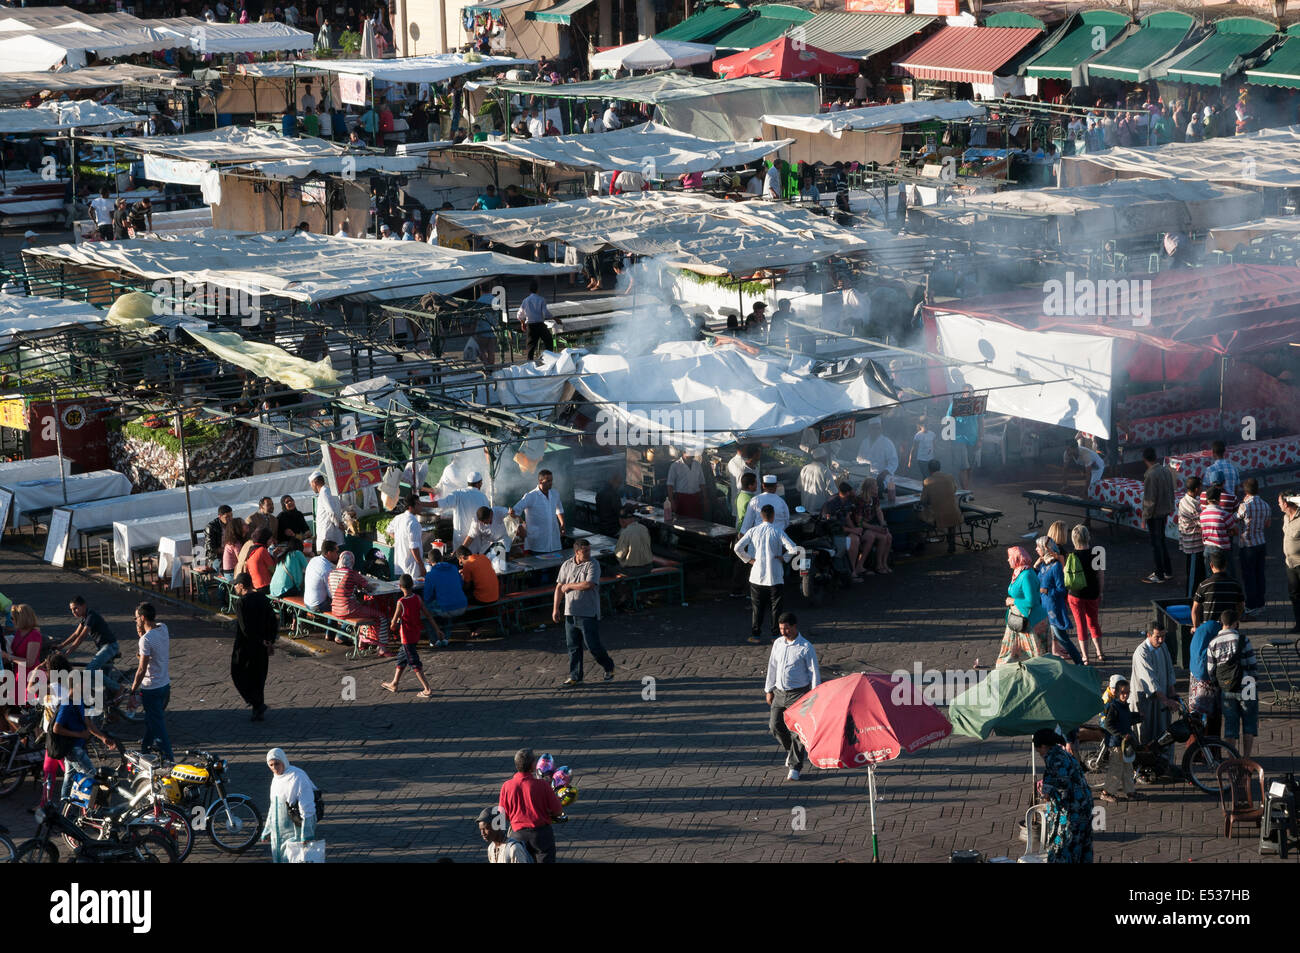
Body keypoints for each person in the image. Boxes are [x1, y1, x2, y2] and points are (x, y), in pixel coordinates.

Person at [764, 612, 821, 781]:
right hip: (779, 693)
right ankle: (791, 751)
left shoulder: (805, 647)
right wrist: (769, 689)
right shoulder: (778, 644)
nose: (784, 632)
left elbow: (814, 673)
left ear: (795, 627)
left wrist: (814, 697)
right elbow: (772, 666)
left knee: (797, 731)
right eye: (781, 628)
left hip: (799, 694)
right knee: (775, 726)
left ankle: (795, 767)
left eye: (787, 628)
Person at [735, 503, 800, 644]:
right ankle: (775, 635)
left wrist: (749, 560)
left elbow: (737, 547)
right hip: (775, 576)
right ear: (773, 516)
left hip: (757, 576)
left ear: (761, 516)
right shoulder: (778, 531)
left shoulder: (753, 531)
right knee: (776, 608)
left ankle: (756, 635)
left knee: (757, 608)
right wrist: (785, 558)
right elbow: (794, 548)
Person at [554, 538, 613, 686]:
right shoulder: (566, 565)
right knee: (573, 647)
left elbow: (589, 584)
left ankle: (608, 666)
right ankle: (575, 676)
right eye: (585, 551)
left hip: (587, 612)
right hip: (570, 612)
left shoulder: (593, 564)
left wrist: (569, 586)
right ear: (577, 552)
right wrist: (555, 608)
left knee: (593, 645)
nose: (588, 553)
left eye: (589, 550)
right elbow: (559, 587)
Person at [1033, 729, 1094, 862]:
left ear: (1043, 746)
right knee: (1081, 844)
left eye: (1038, 751)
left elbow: (1061, 787)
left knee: (1063, 846)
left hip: (1072, 809)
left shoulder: (1053, 758)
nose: (1040, 754)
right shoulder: (1062, 752)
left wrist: (1045, 793)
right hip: (1084, 803)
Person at [498, 748, 566, 862]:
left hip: (517, 836)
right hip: (541, 836)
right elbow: (558, 811)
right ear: (532, 766)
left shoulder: (507, 786)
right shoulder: (543, 785)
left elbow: (501, 815)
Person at [1205, 610, 1258, 758]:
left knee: (1230, 725)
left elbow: (1211, 670)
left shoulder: (1213, 643)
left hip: (1226, 687)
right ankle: (1246, 758)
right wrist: (1254, 682)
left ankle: (1232, 759)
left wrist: (1219, 686)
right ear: (1235, 622)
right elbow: (1252, 664)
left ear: (1222, 623)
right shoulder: (1243, 639)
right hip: (1247, 685)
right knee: (1249, 724)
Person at [130, 603, 173, 761]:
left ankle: (170, 760)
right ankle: (145, 749)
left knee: (159, 729)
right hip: (165, 686)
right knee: (151, 721)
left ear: (142, 618)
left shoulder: (145, 640)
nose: (135, 621)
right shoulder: (163, 627)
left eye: (136, 618)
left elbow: (142, 669)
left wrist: (133, 690)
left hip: (151, 689)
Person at [383, 573, 438, 697]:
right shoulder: (417, 598)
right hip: (415, 634)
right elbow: (428, 615)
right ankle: (394, 683)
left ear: (400, 586)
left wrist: (393, 625)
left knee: (414, 662)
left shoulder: (401, 602)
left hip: (406, 637)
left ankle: (427, 689)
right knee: (402, 658)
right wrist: (437, 629)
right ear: (412, 585)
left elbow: (393, 623)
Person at [232, 573, 277, 722]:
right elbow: (272, 620)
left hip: (246, 646)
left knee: (238, 673)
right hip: (262, 646)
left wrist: (260, 640)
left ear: (242, 586)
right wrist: (269, 640)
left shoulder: (241, 603)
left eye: (236, 585)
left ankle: (256, 704)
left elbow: (245, 629)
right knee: (258, 677)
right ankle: (258, 709)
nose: (235, 588)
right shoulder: (263, 598)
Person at [261, 748, 317, 863]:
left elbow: (307, 806)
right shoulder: (276, 779)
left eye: (277, 763)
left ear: (283, 761)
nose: (274, 768)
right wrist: (267, 830)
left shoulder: (297, 777)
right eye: (271, 765)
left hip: (295, 832)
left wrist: (306, 834)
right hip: (278, 836)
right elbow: (273, 807)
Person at [329, 551, 391, 656]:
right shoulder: (352, 574)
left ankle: (362, 642)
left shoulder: (332, 573)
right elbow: (368, 587)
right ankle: (382, 648)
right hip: (349, 609)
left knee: (366, 607)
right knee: (382, 616)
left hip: (335, 609)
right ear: (352, 561)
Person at [1129, 621, 1178, 750]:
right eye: (1157, 637)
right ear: (1148, 635)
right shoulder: (1141, 653)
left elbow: (1169, 670)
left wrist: (1172, 692)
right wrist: (1166, 700)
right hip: (1145, 701)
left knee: (1163, 733)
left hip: (1161, 699)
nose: (1161, 640)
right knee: (1146, 734)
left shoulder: (1163, 647)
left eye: (1163, 636)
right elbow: (1150, 681)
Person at [1036, 537, 1082, 664]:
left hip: (1053, 609)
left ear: (1046, 549)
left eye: (1038, 547)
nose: (1036, 549)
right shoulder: (1043, 564)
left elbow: (1062, 590)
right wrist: (1035, 565)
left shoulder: (1055, 567)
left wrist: (1047, 591)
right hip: (1044, 607)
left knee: (1062, 638)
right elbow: (1035, 579)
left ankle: (1080, 663)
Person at [1065, 524, 1106, 664]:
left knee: (1080, 624)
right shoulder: (1098, 552)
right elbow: (1100, 575)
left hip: (1075, 594)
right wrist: (1100, 591)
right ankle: (1100, 652)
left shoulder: (1071, 556)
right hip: (1092, 593)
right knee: (1093, 622)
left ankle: (1085, 657)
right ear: (1088, 536)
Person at [999, 545, 1046, 665]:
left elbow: (1031, 601)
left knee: (1038, 658)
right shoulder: (1018, 572)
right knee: (1008, 655)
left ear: (1017, 558)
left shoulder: (1026, 575)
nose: (1008, 560)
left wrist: (1012, 601)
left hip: (1029, 622)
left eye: (1010, 557)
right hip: (1017, 620)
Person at [1097, 676, 1137, 803]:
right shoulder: (1114, 706)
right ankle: (1106, 792)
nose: (1125, 695)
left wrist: (1139, 717)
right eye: (1123, 693)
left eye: (1127, 692)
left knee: (1128, 767)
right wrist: (1121, 734)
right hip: (1116, 743)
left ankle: (1130, 792)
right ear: (1117, 693)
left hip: (1125, 743)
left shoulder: (1124, 706)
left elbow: (1127, 718)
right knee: (1116, 769)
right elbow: (1108, 725)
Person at [1236, 478, 1271, 617]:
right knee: (1260, 574)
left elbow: (1236, 518)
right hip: (1261, 543)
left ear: (1245, 491)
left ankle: (1251, 605)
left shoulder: (1245, 505)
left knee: (1249, 576)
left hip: (1247, 544)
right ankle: (1261, 603)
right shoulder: (1266, 505)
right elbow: (1267, 524)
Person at [1140, 446, 1175, 584]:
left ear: (1144, 459)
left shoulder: (1150, 475)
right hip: (1165, 511)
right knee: (1161, 541)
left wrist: (1144, 516)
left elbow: (1149, 500)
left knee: (1156, 544)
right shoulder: (1165, 470)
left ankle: (1159, 574)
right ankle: (1167, 571)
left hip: (1154, 514)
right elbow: (1172, 490)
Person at [58, 595, 119, 673]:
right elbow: (76, 634)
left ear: (83, 606)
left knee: (90, 671)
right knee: (102, 679)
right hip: (103, 647)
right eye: (72, 610)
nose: (73, 612)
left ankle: (116, 686)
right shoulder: (85, 618)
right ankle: (112, 685)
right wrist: (61, 646)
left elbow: (81, 637)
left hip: (109, 647)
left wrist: (67, 653)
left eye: (75, 608)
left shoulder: (91, 616)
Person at [511, 469, 565, 554]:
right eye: (548, 481)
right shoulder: (530, 496)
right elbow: (514, 512)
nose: (551, 483)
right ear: (540, 481)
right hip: (537, 544)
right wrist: (521, 527)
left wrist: (562, 524)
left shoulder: (555, 493)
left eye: (551, 480)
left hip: (555, 542)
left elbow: (559, 509)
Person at [422, 548, 465, 646]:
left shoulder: (430, 575)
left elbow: (427, 598)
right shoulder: (454, 568)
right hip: (461, 605)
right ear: (442, 558)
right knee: (447, 603)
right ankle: (446, 637)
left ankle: (434, 639)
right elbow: (461, 584)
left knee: (424, 610)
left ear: (429, 562)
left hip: (448, 607)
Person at [1191, 550, 1245, 628]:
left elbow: (1195, 610)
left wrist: (1196, 628)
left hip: (1210, 629)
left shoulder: (1204, 585)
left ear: (1211, 565)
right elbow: (1241, 607)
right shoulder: (1235, 585)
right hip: (1230, 628)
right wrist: (1235, 619)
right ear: (1226, 565)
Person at [437, 472, 490, 548]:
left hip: (460, 538)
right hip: (475, 539)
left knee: (460, 557)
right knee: (474, 558)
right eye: (481, 482)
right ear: (478, 484)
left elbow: (441, 503)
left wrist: (423, 504)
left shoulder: (458, 493)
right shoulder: (483, 497)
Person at [946, 384, 983, 491]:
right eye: (968, 392)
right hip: (959, 439)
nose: (971, 394)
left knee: (970, 466)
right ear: (964, 393)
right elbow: (948, 420)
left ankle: (966, 488)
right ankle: (966, 491)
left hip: (973, 439)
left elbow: (981, 422)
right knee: (964, 466)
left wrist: (980, 439)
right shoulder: (955, 404)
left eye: (972, 392)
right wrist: (949, 437)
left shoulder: (977, 405)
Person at [2, 605, 42, 704]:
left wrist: (8, 656)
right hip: (18, 674)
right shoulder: (19, 632)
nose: (11, 621)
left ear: (21, 619)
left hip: (30, 677)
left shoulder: (34, 635)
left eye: (12, 618)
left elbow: (29, 663)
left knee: (26, 708)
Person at [919, 459, 960, 555]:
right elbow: (954, 490)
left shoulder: (927, 481)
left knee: (917, 515)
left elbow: (923, 500)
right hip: (954, 513)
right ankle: (951, 543)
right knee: (950, 512)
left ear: (929, 470)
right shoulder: (950, 477)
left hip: (938, 517)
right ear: (940, 467)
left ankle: (920, 543)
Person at [855, 478, 893, 576]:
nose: (878, 487)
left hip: (872, 525)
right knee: (879, 537)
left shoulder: (874, 498)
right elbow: (859, 522)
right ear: (870, 488)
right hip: (862, 527)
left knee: (888, 536)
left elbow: (879, 511)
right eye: (876, 486)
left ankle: (883, 563)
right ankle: (875, 565)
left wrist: (883, 524)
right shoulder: (860, 500)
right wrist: (876, 528)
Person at [1177, 476, 1205, 599]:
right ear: (1197, 488)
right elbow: (1202, 521)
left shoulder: (1188, 500)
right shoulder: (1190, 504)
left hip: (1194, 544)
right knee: (1193, 575)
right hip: (1193, 545)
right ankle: (1189, 599)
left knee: (1198, 573)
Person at [389, 496, 426, 582]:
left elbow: (389, 531)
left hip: (400, 564)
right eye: (418, 504)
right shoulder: (414, 523)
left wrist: (401, 539)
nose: (421, 506)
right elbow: (413, 548)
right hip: (412, 567)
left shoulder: (398, 518)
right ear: (410, 507)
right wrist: (421, 565)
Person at [1199, 485, 1237, 568]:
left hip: (1208, 548)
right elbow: (1235, 531)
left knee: (1210, 575)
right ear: (1219, 499)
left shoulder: (1202, 515)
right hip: (1223, 549)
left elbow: (1202, 531)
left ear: (1207, 499)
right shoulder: (1225, 515)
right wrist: (1228, 532)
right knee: (1228, 572)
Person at [517, 279, 555, 362]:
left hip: (530, 325)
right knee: (548, 341)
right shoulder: (541, 299)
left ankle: (529, 362)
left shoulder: (525, 300)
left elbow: (519, 315)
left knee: (530, 346)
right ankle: (550, 358)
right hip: (540, 324)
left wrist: (522, 323)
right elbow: (545, 313)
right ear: (537, 289)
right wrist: (555, 318)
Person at [665, 449, 706, 520]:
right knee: (682, 523)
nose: (692, 454)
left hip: (696, 499)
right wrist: (671, 501)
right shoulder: (675, 465)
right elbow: (670, 485)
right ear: (683, 452)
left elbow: (702, 483)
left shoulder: (697, 464)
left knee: (697, 523)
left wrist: (705, 499)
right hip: (681, 499)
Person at [310, 471, 345, 553]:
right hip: (331, 536)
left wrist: (338, 524)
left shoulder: (324, 492)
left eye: (311, 484)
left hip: (328, 537)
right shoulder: (328, 491)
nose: (311, 487)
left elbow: (331, 511)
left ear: (315, 483)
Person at [304, 540, 340, 615]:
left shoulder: (314, 559)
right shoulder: (327, 570)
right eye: (337, 552)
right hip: (317, 605)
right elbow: (332, 594)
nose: (338, 554)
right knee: (343, 606)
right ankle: (333, 625)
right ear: (329, 553)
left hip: (307, 601)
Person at [614, 504, 653, 575]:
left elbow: (620, 555)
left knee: (609, 570)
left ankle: (624, 585)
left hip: (632, 570)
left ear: (622, 520)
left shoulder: (625, 532)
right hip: (648, 567)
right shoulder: (644, 528)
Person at [797, 447, 835, 517]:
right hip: (819, 511)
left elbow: (798, 487)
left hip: (805, 510)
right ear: (823, 458)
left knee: (808, 527)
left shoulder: (804, 468)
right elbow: (833, 492)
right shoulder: (825, 470)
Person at [1281, 493, 1300, 633]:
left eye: (1280, 502)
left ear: (1286, 504)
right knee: (1294, 595)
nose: (1279, 505)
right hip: (1290, 563)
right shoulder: (1286, 518)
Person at [245, 529, 275, 594]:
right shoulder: (262, 550)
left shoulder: (252, 549)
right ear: (265, 539)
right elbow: (272, 569)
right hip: (264, 586)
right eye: (270, 539)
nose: (272, 541)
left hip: (254, 585)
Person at [908, 415, 937, 480]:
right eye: (924, 424)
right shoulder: (918, 435)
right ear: (920, 425)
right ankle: (927, 488)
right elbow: (914, 448)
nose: (926, 426)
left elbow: (934, 446)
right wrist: (910, 460)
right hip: (922, 459)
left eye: (927, 424)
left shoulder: (932, 434)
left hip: (931, 459)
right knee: (927, 476)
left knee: (929, 475)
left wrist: (935, 457)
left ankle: (925, 488)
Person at [221, 516, 248, 581]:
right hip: (232, 573)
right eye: (244, 524)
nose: (247, 524)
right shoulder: (235, 543)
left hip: (232, 571)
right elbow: (241, 559)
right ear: (238, 528)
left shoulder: (236, 540)